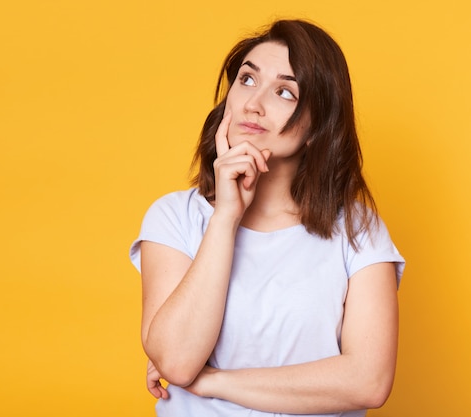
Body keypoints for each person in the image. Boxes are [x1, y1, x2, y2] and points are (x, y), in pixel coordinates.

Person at [129, 19, 405, 417]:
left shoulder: (357, 230)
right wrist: (225, 215)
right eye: (246, 80)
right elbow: (176, 360)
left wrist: (211, 381)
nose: (253, 103)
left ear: (316, 127)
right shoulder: (175, 217)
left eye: (284, 91)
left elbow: (369, 381)